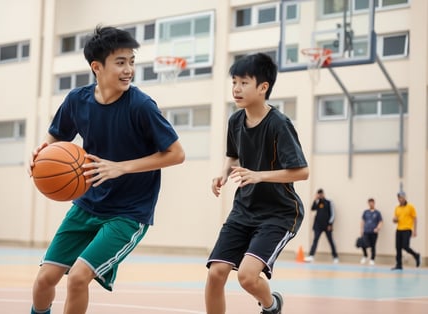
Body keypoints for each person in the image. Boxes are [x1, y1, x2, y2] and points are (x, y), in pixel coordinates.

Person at [27, 25, 185, 314]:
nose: (128, 70)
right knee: (43, 280)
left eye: (132, 62)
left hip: (128, 213)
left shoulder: (141, 106)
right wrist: (43, 151)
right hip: (87, 204)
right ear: (96, 67)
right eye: (120, 62)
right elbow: (56, 136)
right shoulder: (77, 100)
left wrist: (121, 168)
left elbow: (176, 154)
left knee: (77, 278)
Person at [205, 53, 309, 314]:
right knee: (216, 273)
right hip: (244, 209)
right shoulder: (235, 121)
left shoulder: (279, 124)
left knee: (247, 277)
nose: (236, 89)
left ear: (263, 87)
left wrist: (259, 175)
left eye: (244, 83)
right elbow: (233, 155)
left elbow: (302, 171)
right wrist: (223, 173)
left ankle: (271, 305)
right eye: (234, 82)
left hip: (279, 213)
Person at [304, 189, 339, 263]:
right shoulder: (318, 202)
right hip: (318, 226)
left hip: (327, 226)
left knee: (330, 241)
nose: (320, 195)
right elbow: (312, 208)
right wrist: (315, 199)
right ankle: (311, 256)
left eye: (321, 194)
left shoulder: (329, 202)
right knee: (315, 240)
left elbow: (333, 214)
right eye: (318, 194)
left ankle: (335, 257)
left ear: (323, 194)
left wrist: (330, 224)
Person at [391, 192, 421, 270]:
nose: (400, 199)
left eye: (401, 197)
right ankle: (399, 264)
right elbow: (395, 219)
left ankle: (416, 255)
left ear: (405, 198)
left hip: (407, 229)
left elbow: (415, 218)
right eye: (399, 198)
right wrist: (394, 220)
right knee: (398, 247)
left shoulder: (410, 207)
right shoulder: (397, 208)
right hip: (399, 229)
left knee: (405, 246)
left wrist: (415, 230)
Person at [359, 198, 383, 265]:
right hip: (366, 231)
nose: (371, 204)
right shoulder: (366, 212)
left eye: (372, 202)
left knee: (373, 246)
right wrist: (361, 229)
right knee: (363, 244)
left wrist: (378, 228)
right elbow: (363, 221)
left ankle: (372, 259)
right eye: (369, 203)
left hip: (373, 232)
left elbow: (380, 222)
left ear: (374, 203)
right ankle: (365, 255)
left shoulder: (377, 213)